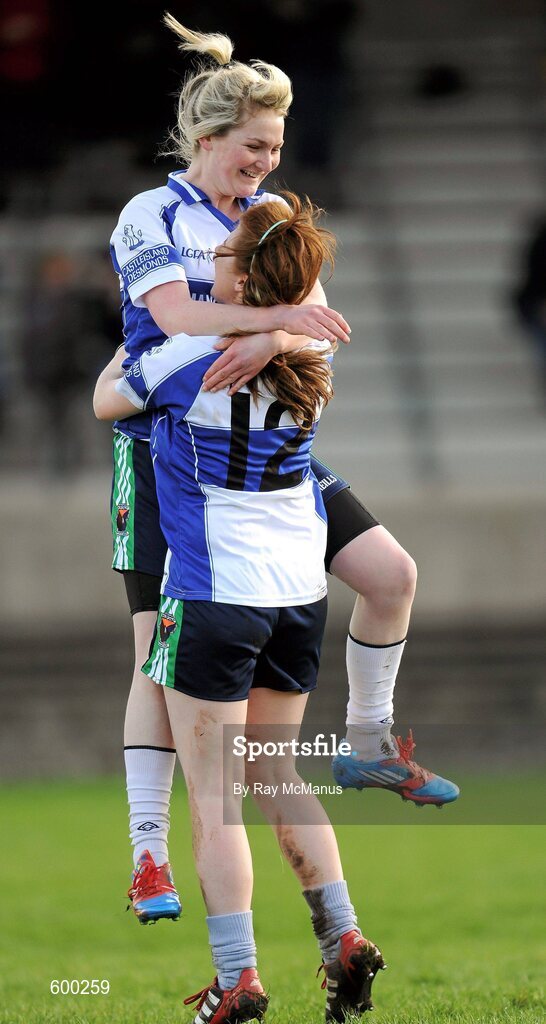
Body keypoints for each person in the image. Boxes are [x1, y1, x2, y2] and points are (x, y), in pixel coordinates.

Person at [106, 14, 458, 928]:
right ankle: (148, 850)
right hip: (165, 447)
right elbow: (179, 316)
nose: (266, 162)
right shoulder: (154, 214)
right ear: (209, 139)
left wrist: (271, 333)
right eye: (254, 146)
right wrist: (269, 328)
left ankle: (371, 743)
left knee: (390, 574)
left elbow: (317, 320)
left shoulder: (267, 217)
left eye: (277, 147)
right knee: (159, 649)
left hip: (261, 444)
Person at [95, 192, 387, 1024]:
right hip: (299, 596)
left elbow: (106, 400)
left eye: (222, 256)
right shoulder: (313, 362)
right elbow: (294, 329)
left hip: (214, 595)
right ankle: (343, 938)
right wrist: (274, 328)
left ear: (245, 276)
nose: (209, 263)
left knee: (215, 795)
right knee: (274, 770)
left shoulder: (187, 356)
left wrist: (153, 331)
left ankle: (238, 980)